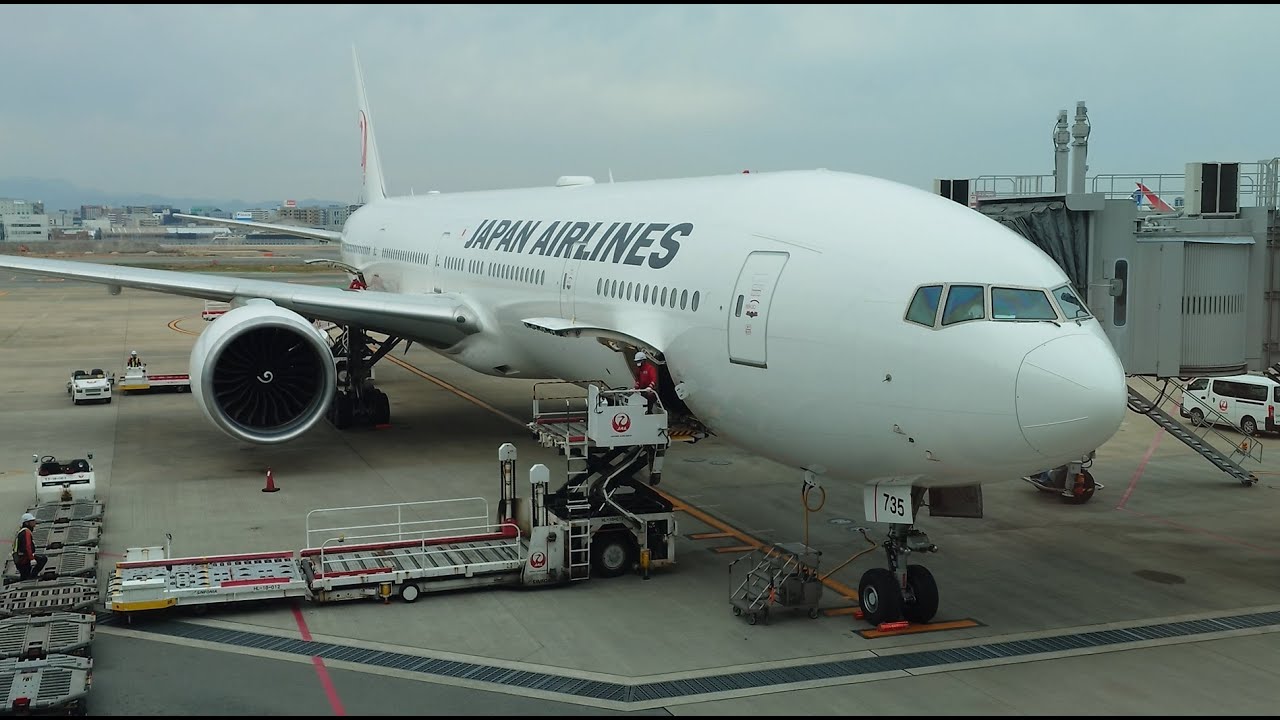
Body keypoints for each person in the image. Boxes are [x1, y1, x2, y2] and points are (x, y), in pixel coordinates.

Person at [12, 513, 47, 582]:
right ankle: (32, 577)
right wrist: (32, 559)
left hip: (21, 559)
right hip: (24, 559)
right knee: (42, 559)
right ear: (27, 523)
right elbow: (27, 546)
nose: (34, 522)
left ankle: (29, 576)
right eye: (32, 521)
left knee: (25, 575)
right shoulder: (26, 532)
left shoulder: (22, 531)